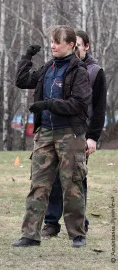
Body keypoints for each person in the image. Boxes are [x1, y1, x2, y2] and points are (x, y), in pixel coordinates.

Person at [12, 25, 91, 248]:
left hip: (70, 135)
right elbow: (22, 80)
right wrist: (27, 57)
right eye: (52, 41)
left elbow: (78, 104)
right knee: (38, 185)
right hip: (44, 134)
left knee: (71, 185)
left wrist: (49, 104)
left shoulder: (79, 71)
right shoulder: (48, 68)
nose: (53, 45)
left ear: (71, 45)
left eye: (58, 41)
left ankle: (77, 234)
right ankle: (30, 235)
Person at [41, 30, 107, 237]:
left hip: (80, 133)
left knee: (76, 180)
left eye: (78, 45)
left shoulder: (95, 72)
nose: (74, 48)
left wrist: (92, 137)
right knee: (53, 179)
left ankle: (80, 224)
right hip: (57, 131)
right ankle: (51, 223)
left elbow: (99, 108)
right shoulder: (57, 68)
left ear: (86, 46)